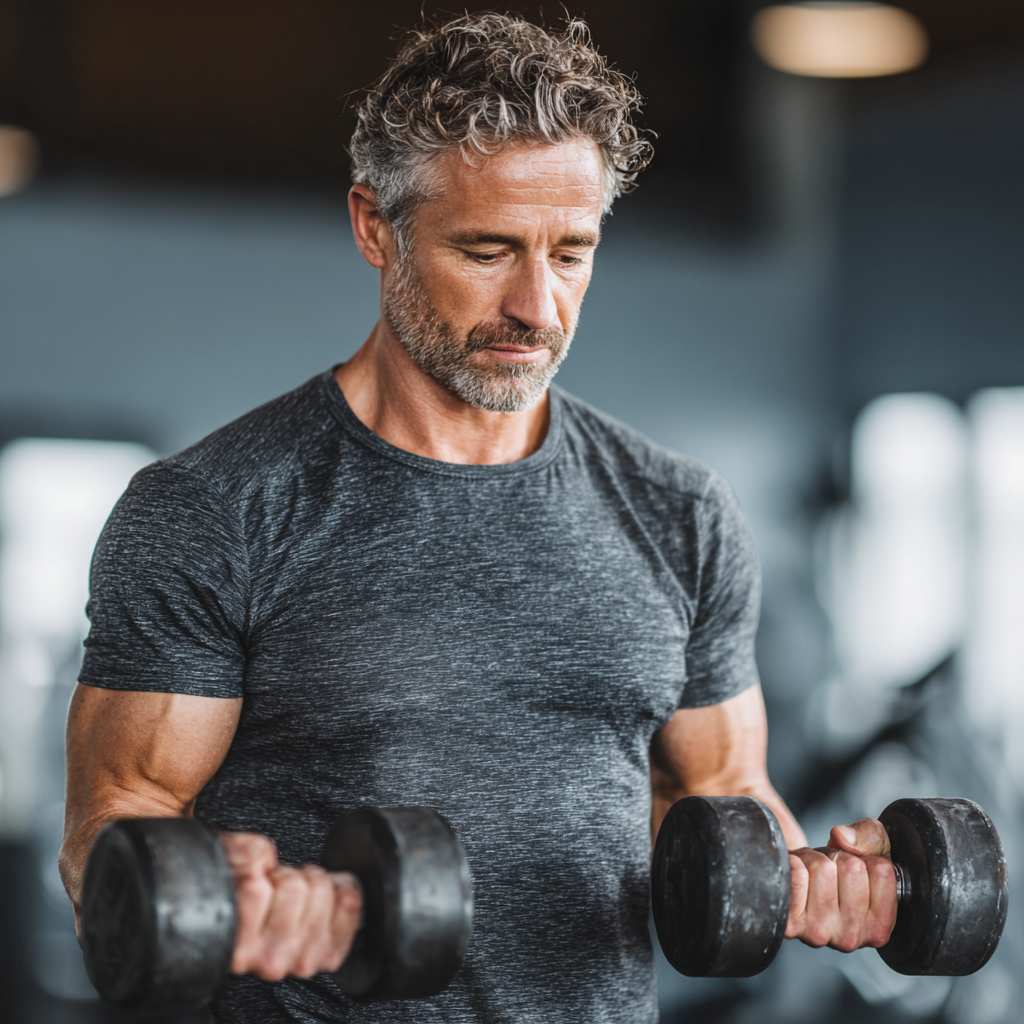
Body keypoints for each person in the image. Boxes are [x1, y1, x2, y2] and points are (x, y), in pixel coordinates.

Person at [60, 13, 898, 1023]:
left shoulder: (678, 512)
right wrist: (224, 895)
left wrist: (821, 882)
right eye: (488, 249)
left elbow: (718, 796)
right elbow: (117, 820)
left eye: (571, 252)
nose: (537, 306)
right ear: (376, 225)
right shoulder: (216, 508)